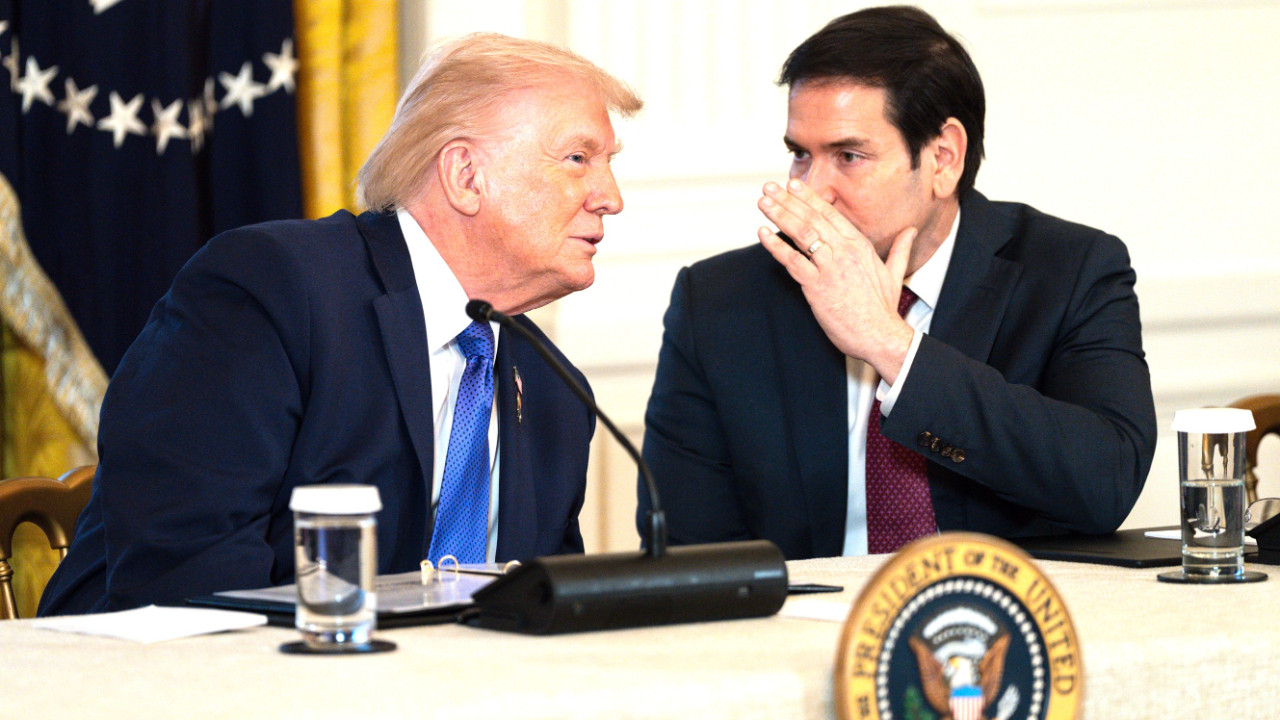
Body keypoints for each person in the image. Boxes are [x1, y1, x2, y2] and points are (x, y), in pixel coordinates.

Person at [39, 33, 642, 615]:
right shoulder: (271, 292)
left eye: (607, 163)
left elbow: (548, 612)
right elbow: (189, 583)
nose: (610, 197)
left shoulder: (554, 392)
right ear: (465, 175)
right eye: (578, 158)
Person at [638, 6, 1156, 560]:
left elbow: (1106, 481)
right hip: (807, 613)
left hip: (1000, 607)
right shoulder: (719, 302)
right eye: (800, 155)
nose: (811, 190)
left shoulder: (1070, 271)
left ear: (943, 159)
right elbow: (688, 555)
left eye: (848, 156)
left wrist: (891, 345)